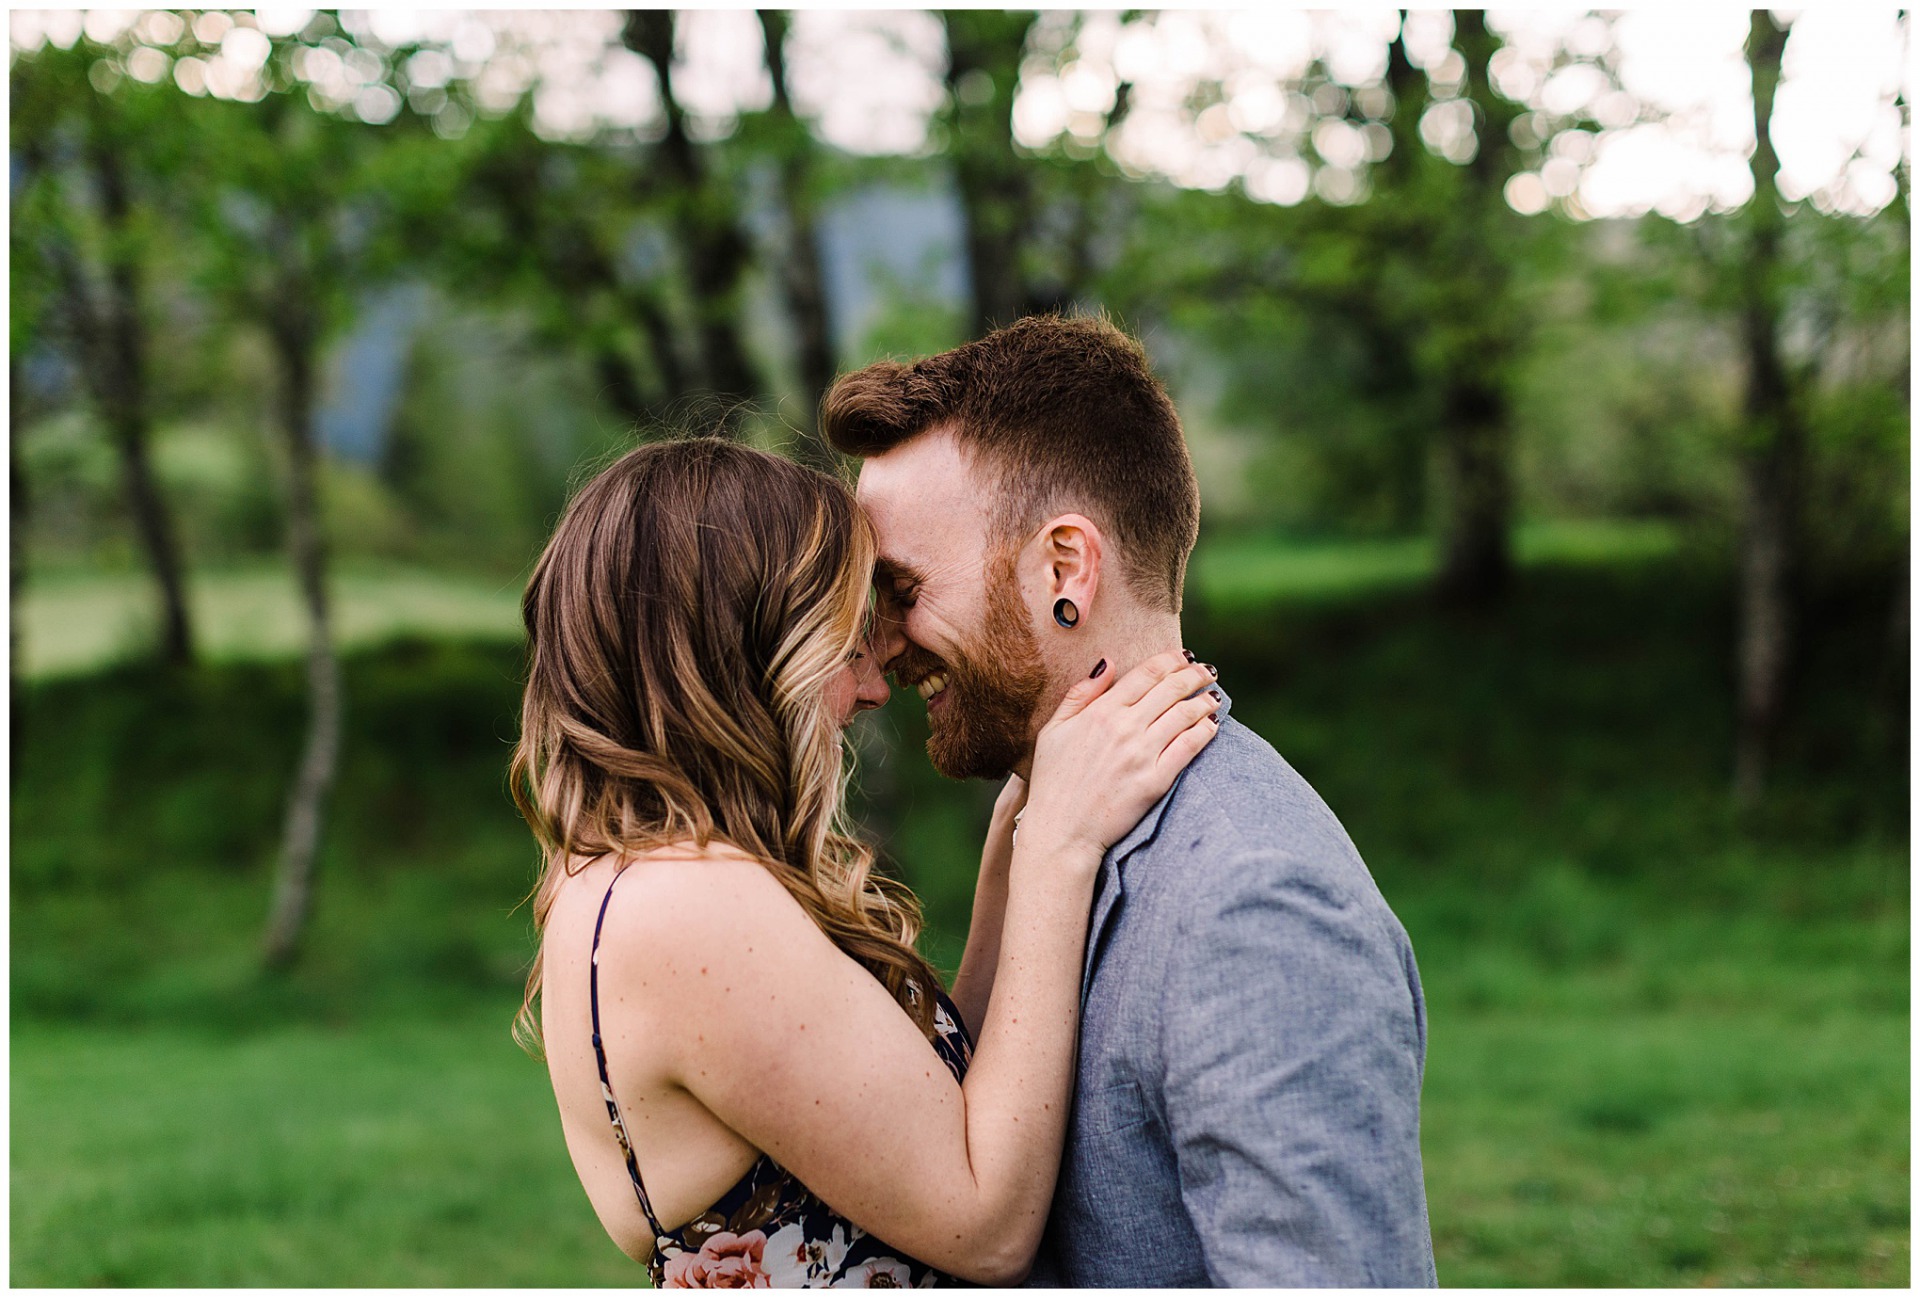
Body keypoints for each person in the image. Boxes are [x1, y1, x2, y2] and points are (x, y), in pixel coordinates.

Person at [511, 436, 1221, 1287]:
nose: (874, 687)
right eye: (843, 643)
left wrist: (1020, 830)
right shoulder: (688, 911)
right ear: (741, 653)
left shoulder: (637, 880)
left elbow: (933, 1110)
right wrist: (1059, 856)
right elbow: (986, 1227)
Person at [823, 314, 1438, 1287]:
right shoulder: (1045, 826)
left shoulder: (1257, 905)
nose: (884, 645)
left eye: (903, 589)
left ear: (1065, 568)